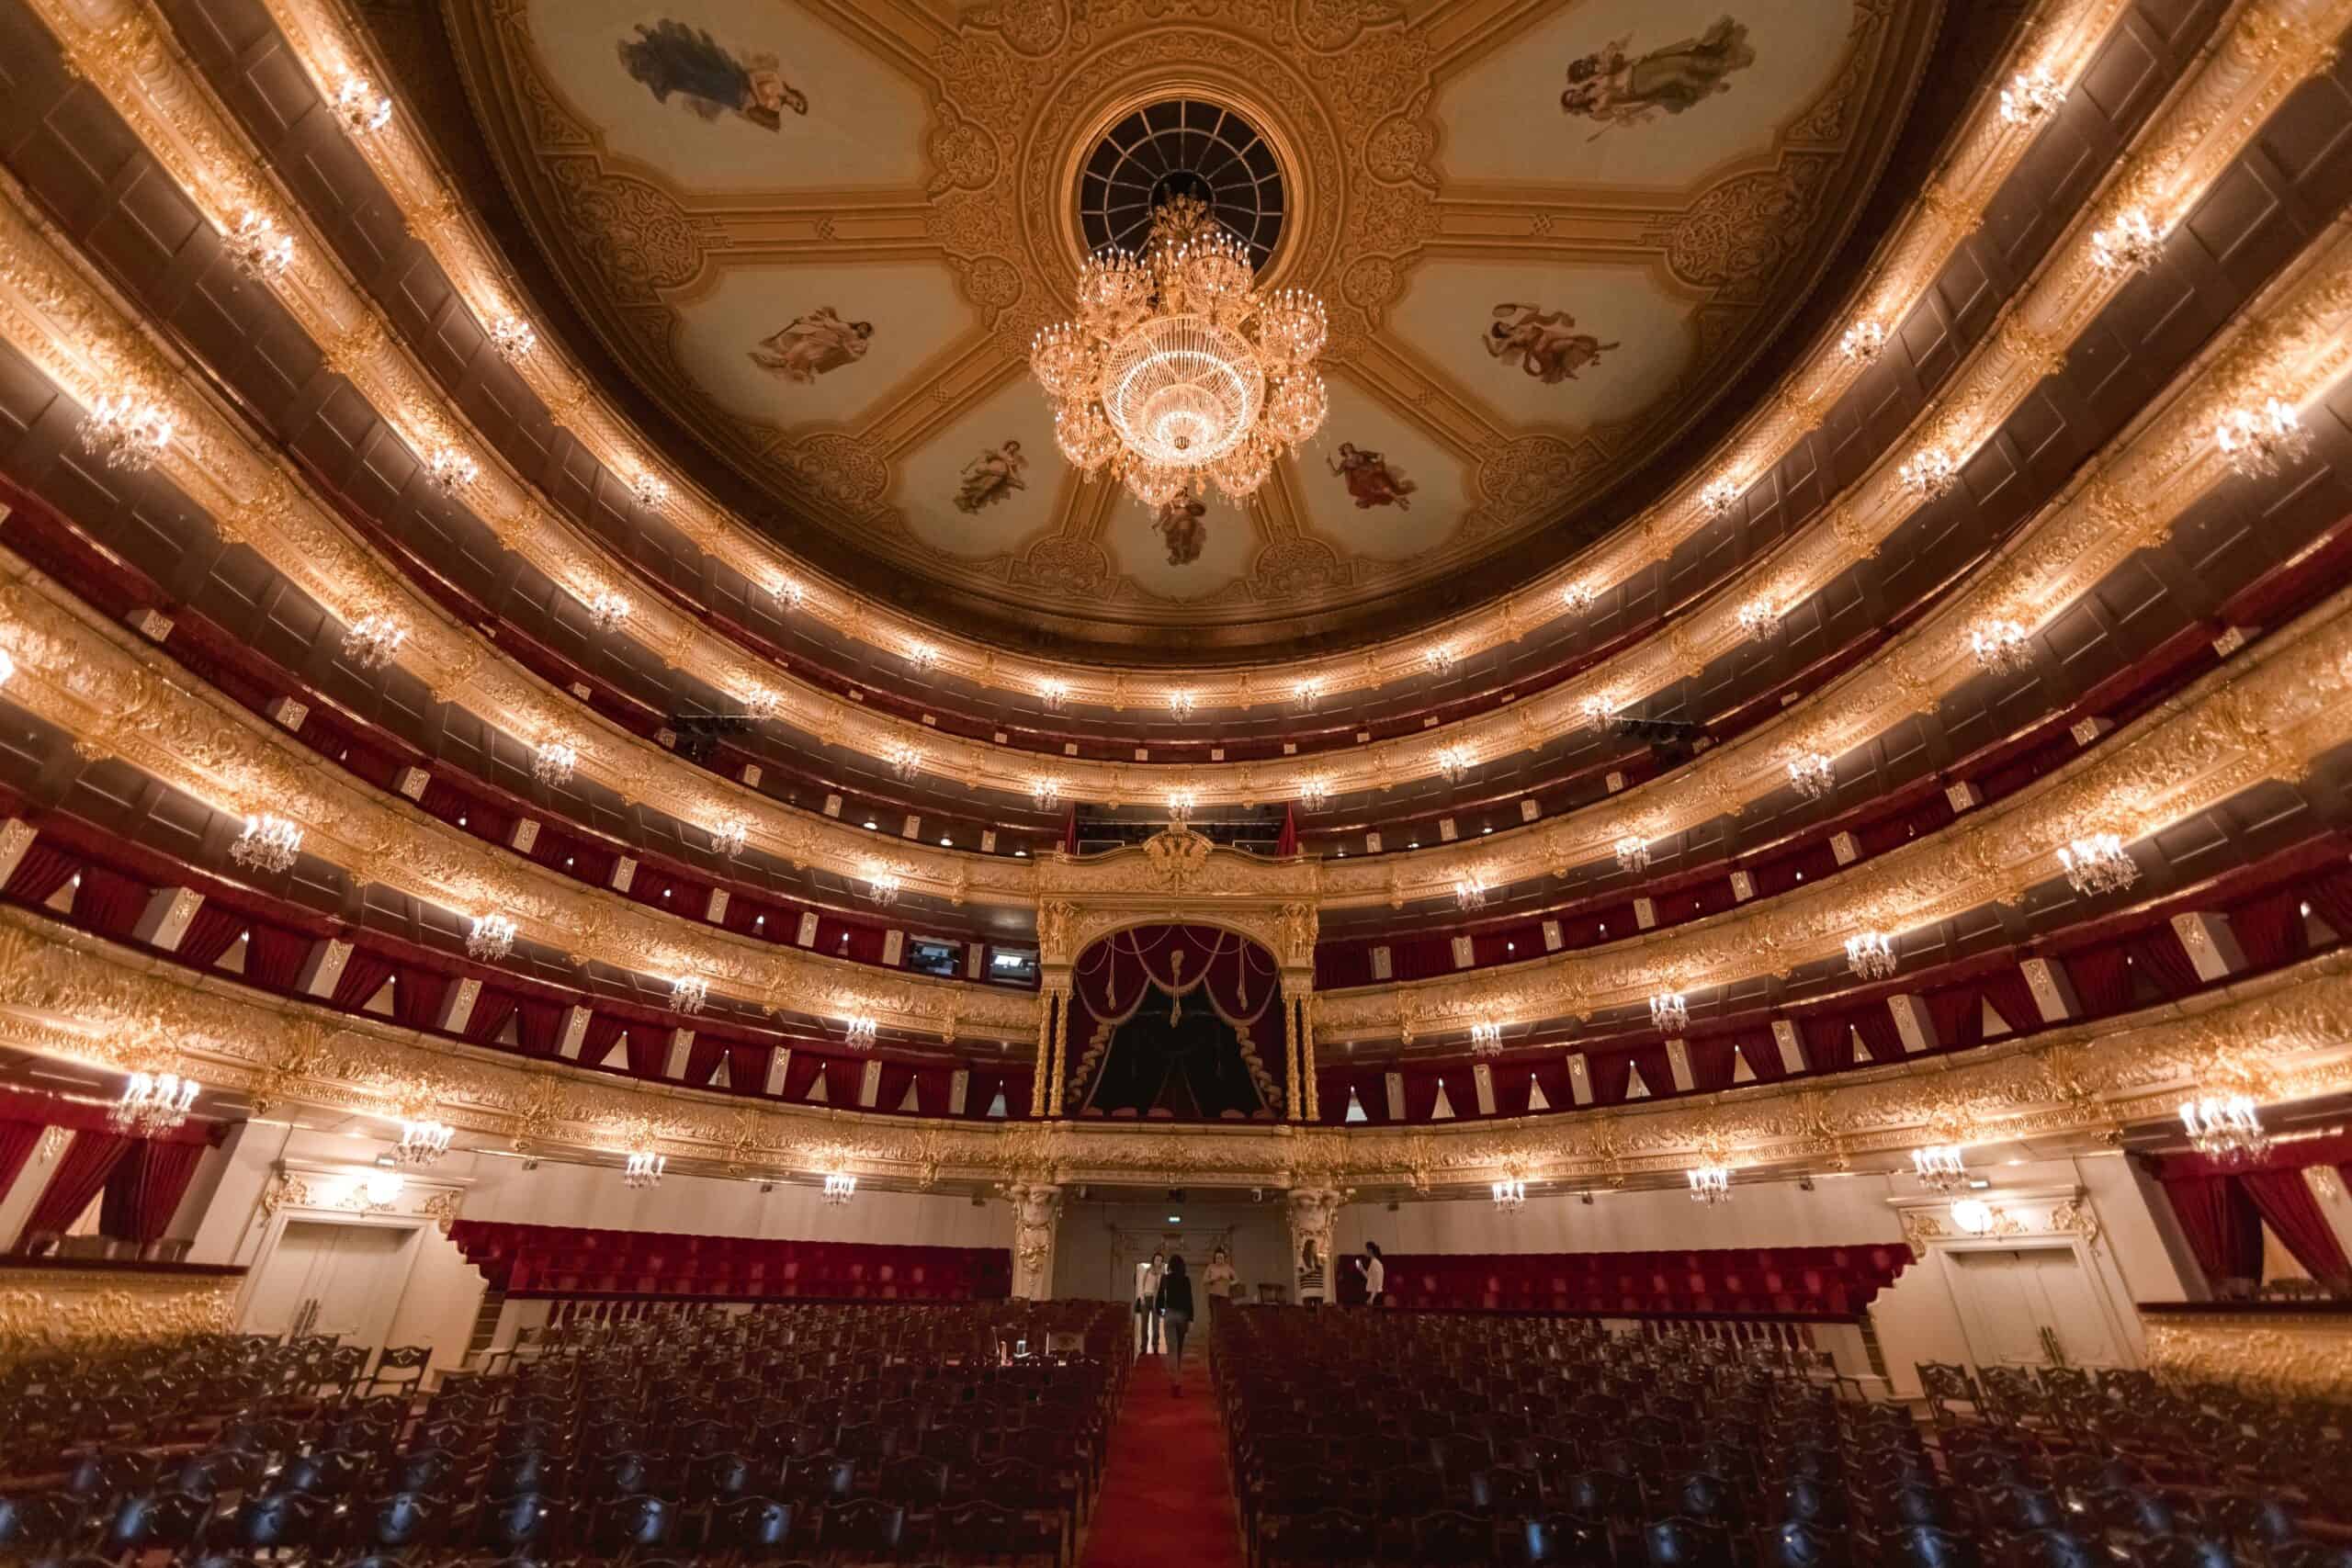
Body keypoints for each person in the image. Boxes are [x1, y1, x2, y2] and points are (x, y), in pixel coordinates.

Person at [1155, 1254, 1194, 1393]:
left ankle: (1176, 1382)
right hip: (1182, 1316)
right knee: (1179, 1349)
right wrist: (1191, 1319)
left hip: (1170, 1315)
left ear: (1170, 1265)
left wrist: (1161, 1312)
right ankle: (1177, 1378)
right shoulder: (1186, 1280)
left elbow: (1159, 1298)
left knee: (1172, 1350)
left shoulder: (1165, 1279)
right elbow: (1190, 1301)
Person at [1134, 1248, 1164, 1354]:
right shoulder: (1146, 1271)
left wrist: (1160, 1276)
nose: (1158, 1262)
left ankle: (1155, 1347)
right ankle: (1143, 1348)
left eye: (1160, 1260)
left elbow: (1161, 1290)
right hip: (1145, 1299)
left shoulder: (1161, 1274)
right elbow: (1141, 1286)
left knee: (1156, 1325)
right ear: (1153, 1260)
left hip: (1156, 1301)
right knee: (1144, 1326)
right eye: (1157, 1260)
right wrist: (1141, 1298)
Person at [1352, 1240, 1386, 1306]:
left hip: (1376, 1295)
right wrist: (1361, 1269)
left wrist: (1371, 1298)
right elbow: (1369, 1277)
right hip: (1374, 1294)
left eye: (1366, 1250)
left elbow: (1376, 1283)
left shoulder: (1375, 1263)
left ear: (1370, 1251)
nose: (1364, 1252)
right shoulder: (1373, 1262)